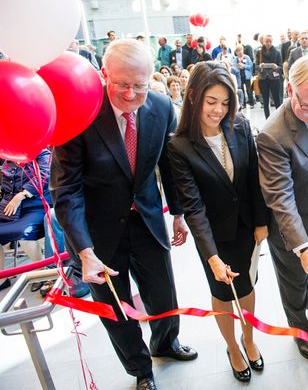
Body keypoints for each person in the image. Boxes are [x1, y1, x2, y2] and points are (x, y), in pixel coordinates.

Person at [51, 38, 197, 390]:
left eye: (140, 85)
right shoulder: (80, 113)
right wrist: (84, 251)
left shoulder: (161, 108)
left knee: (162, 293)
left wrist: (178, 214)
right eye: (122, 85)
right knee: (115, 308)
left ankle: (166, 342)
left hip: (147, 219)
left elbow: (169, 166)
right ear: (105, 75)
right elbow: (66, 190)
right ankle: (140, 369)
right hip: (98, 232)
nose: (131, 94)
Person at [168, 62, 268, 382]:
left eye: (225, 103)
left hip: (246, 227)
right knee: (223, 293)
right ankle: (232, 347)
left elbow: (253, 177)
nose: (218, 110)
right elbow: (193, 207)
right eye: (211, 102)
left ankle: (249, 339)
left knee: (247, 285)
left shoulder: (238, 126)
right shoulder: (179, 146)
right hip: (212, 236)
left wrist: (261, 222)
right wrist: (211, 255)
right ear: (194, 97)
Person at [256, 55, 308, 362]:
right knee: (294, 282)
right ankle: (300, 330)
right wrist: (302, 249)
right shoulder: (272, 134)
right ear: (290, 89)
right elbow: (280, 196)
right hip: (292, 231)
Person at [0, 150, 52, 290]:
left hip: (36, 205)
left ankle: (40, 273)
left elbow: (44, 176)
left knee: (23, 232)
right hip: (10, 208)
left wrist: (21, 195)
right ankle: (2, 278)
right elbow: (5, 187)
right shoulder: (9, 159)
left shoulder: (42, 154)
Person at [255, 34, 283, 119]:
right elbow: (255, 66)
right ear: (263, 42)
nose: (268, 43)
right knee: (265, 101)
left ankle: (279, 119)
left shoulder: (277, 52)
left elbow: (280, 67)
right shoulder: (259, 53)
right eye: (267, 41)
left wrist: (276, 67)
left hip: (274, 79)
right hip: (263, 79)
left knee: (277, 100)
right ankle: (267, 119)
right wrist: (260, 66)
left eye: (270, 41)